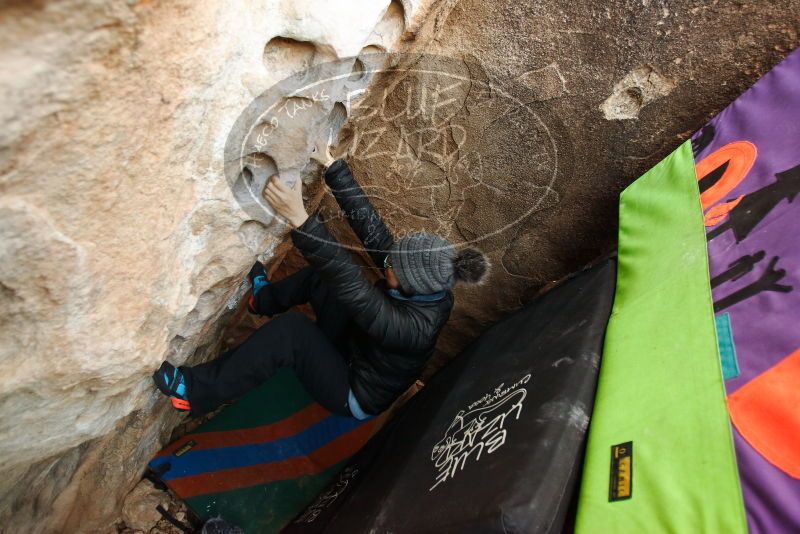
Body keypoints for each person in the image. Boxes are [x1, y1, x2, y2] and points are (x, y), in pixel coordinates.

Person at [152, 140, 488, 419]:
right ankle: (262, 299)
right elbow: (373, 232)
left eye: (392, 268)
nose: (386, 262)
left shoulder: (412, 330)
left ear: (405, 286)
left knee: (293, 333)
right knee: (321, 279)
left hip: (355, 389)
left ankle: (197, 392)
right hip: (358, 345)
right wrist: (333, 166)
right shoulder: (424, 280)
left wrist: (300, 218)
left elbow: (353, 287)